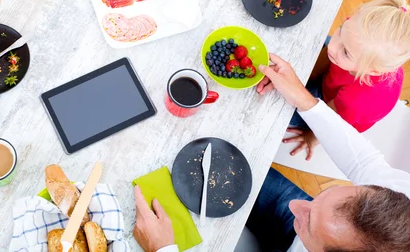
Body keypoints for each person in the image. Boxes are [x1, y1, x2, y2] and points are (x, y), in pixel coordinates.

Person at [133, 54, 410, 252]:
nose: (294, 206)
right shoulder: (400, 202)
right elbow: (364, 162)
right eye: (320, 197)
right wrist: (302, 97)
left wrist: (163, 248)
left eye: (310, 221)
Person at [286, 0, 410, 160]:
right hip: (339, 76)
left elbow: (327, 121)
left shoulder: (357, 99)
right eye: (341, 28)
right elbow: (333, 51)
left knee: (281, 105)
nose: (333, 45)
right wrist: (305, 76)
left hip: (334, 109)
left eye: (345, 51)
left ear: (372, 71)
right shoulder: (355, 50)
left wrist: (312, 136)